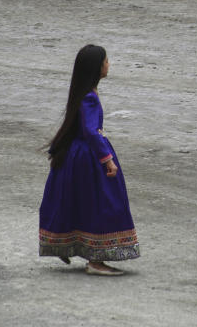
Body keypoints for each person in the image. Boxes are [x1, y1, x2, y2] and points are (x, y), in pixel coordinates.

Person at [39, 44, 140, 276]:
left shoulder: (82, 93)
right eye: (106, 60)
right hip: (89, 158)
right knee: (102, 204)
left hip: (76, 156)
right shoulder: (89, 98)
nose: (109, 64)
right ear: (97, 67)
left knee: (76, 201)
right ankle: (96, 260)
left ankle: (66, 244)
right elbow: (92, 131)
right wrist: (107, 160)